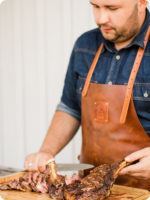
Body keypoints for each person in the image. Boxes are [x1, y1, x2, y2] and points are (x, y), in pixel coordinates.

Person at [24, 0, 150, 189]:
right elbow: (70, 108)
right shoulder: (84, 45)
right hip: (89, 188)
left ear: (141, 2)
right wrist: (46, 152)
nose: (101, 19)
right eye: (95, 6)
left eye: (112, 8)